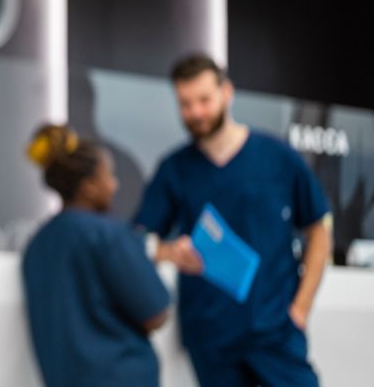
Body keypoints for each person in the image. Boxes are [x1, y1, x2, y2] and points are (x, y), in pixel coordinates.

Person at [134, 53, 331, 387]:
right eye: (185, 103)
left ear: (227, 93)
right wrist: (167, 252)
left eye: (204, 100)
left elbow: (319, 227)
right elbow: (137, 237)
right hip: (211, 339)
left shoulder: (277, 157)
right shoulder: (175, 170)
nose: (195, 113)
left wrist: (301, 308)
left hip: (275, 332)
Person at [21, 125, 169, 387]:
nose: (114, 184)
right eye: (108, 176)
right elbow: (156, 312)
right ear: (89, 186)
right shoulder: (108, 234)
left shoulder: (37, 246)